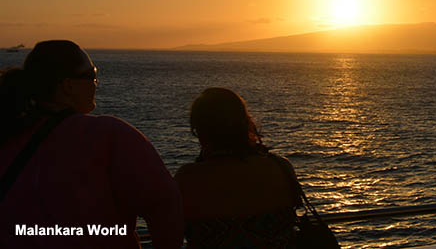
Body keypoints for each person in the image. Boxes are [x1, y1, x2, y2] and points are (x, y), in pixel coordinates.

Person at [0, 40, 183, 248]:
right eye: (92, 75)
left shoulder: (8, 135)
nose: (96, 83)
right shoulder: (109, 135)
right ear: (67, 85)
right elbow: (165, 206)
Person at [175, 88, 299, 248]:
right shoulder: (281, 168)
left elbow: (169, 235)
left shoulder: (189, 178)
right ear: (245, 124)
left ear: (201, 130)